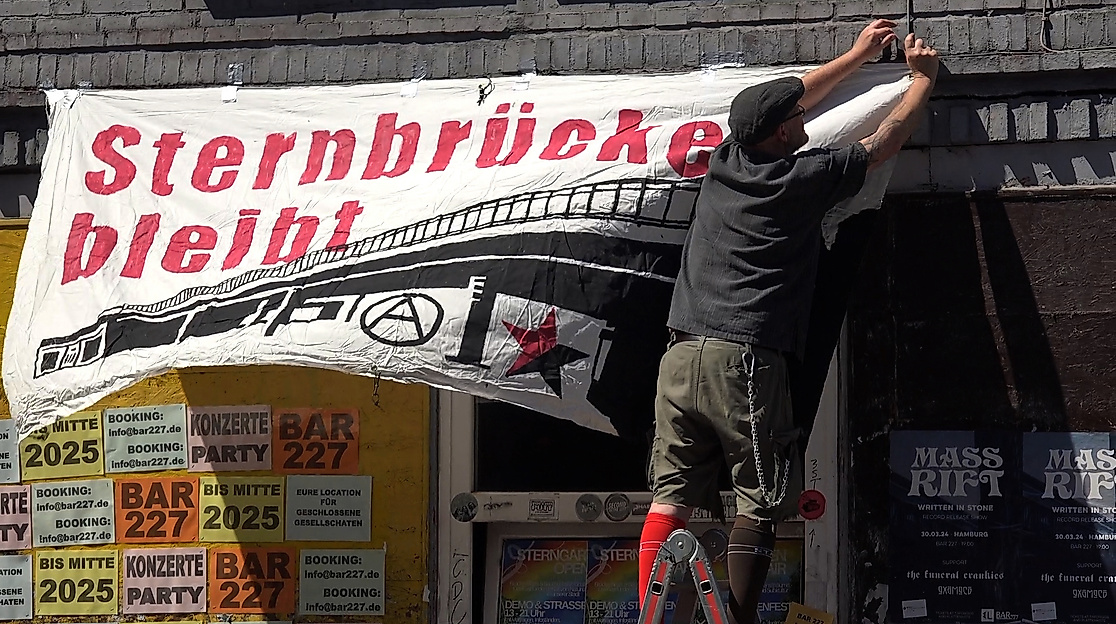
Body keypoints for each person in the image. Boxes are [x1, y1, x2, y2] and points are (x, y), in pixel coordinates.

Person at [637, 20, 940, 624]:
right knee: (761, 493)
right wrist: (921, 83)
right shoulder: (798, 181)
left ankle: (651, 610)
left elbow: (795, 93)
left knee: (671, 496)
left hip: (679, 356)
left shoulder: (723, 163)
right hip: (741, 359)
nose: (805, 121)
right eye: (795, 121)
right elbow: (880, 144)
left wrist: (854, 55)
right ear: (781, 133)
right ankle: (738, 618)